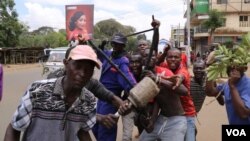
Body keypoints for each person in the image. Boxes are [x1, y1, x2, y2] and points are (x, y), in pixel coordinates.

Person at [4, 45, 101, 141]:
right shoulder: (37, 91)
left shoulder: (89, 100)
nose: (83, 73)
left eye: (89, 69)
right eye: (78, 66)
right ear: (66, 64)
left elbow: (82, 131)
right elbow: (14, 128)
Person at [92, 33, 137, 141]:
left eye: (118, 44)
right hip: (100, 97)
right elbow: (99, 54)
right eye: (114, 43)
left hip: (111, 100)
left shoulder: (123, 62)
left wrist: (135, 91)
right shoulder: (110, 55)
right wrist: (101, 46)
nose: (116, 46)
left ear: (123, 46)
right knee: (94, 126)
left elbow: (130, 82)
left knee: (106, 129)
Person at [139, 48, 189, 141]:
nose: (149, 58)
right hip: (161, 118)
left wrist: (158, 79)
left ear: (156, 58)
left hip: (177, 119)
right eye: (145, 56)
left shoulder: (164, 71)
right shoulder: (144, 77)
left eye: (152, 56)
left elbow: (184, 91)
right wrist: (152, 121)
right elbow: (157, 100)